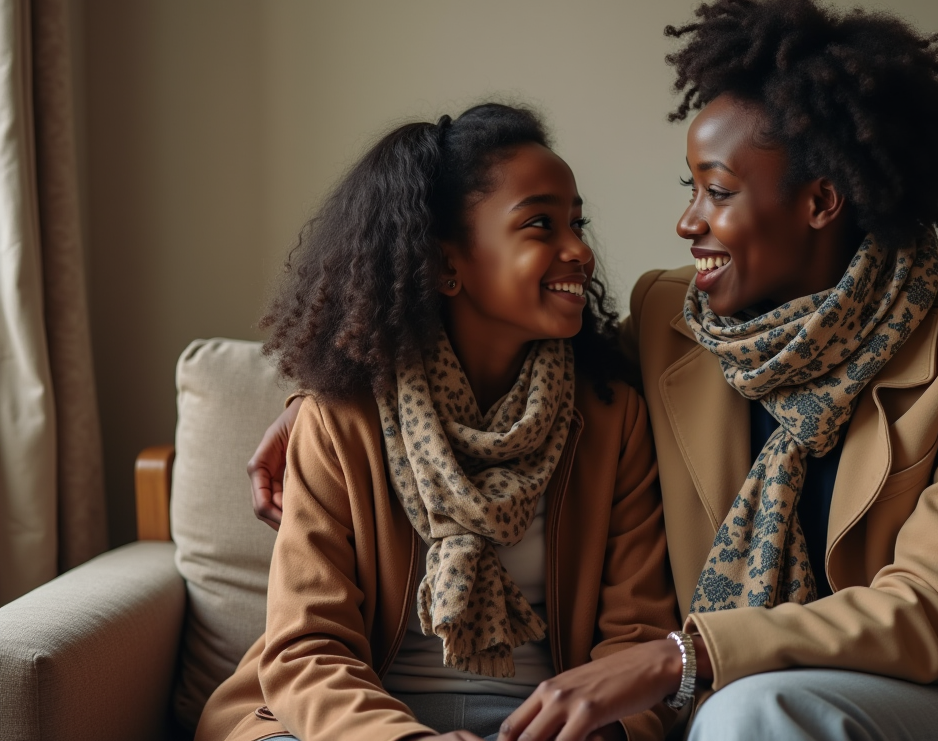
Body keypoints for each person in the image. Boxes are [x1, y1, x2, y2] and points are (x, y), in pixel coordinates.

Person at [249, 0, 938, 741]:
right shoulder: (669, 320)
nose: (687, 221)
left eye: (715, 193)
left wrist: (686, 654)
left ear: (821, 202)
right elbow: (464, 358)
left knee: (747, 714)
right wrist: (318, 401)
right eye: (690, 191)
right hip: (752, 698)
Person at [199, 104, 679, 741]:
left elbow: (637, 638)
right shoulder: (342, 422)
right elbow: (308, 651)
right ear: (444, 264)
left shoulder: (612, 421)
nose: (580, 250)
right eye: (541, 224)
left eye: (576, 222)